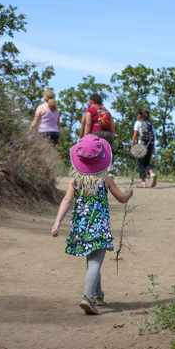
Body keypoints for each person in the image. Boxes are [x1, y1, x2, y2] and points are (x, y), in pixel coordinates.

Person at [51, 135, 133, 315]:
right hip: (100, 228)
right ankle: (88, 297)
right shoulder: (105, 180)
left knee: (91, 260)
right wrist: (129, 192)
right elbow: (122, 198)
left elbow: (66, 200)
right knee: (95, 262)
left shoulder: (75, 181)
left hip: (80, 228)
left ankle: (98, 294)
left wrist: (57, 223)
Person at [82, 93, 115, 177]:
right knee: (108, 152)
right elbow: (112, 125)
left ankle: (94, 172)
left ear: (91, 101)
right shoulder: (106, 111)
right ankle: (109, 172)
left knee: (94, 152)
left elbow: (88, 124)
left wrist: (85, 137)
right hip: (108, 134)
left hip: (96, 133)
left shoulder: (90, 110)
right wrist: (112, 136)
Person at [130, 108, 157, 188]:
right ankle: (152, 174)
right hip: (150, 144)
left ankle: (143, 183)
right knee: (147, 162)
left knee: (141, 163)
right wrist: (153, 147)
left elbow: (135, 135)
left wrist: (133, 146)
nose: (137, 116)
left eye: (138, 114)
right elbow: (153, 135)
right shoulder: (150, 123)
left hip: (141, 145)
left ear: (140, 115)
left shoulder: (138, 123)